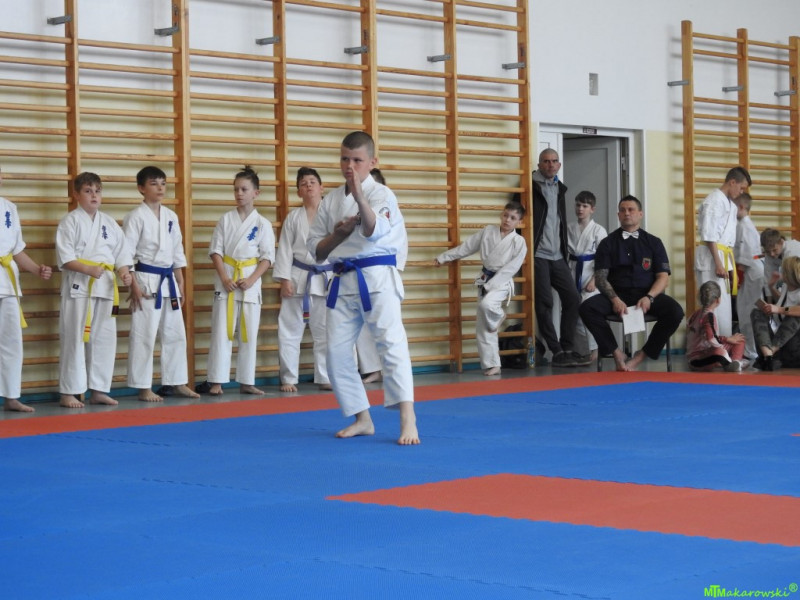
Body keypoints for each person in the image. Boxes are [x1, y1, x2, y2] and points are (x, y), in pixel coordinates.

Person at [307, 130, 419, 445]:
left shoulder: (382, 194)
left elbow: (372, 230)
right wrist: (339, 235)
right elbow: (317, 250)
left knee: (391, 346)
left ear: (372, 162)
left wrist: (359, 196)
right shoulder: (330, 200)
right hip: (343, 279)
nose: (350, 166)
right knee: (335, 352)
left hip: (377, 278)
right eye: (345, 159)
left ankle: (408, 418)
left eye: (357, 160)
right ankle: (362, 418)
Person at [579, 195, 684, 371]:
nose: (627, 213)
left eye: (631, 209)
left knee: (675, 312)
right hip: (616, 295)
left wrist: (650, 297)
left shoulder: (654, 242)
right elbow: (601, 278)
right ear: (618, 215)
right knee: (586, 308)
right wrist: (614, 299)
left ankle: (641, 355)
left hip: (646, 295)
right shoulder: (607, 243)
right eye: (623, 210)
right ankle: (616, 353)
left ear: (640, 214)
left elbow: (663, 277)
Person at [56, 172, 134, 409]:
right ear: (76, 195)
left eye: (98, 191)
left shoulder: (109, 223)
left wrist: (124, 273)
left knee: (104, 340)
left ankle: (99, 390)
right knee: (74, 339)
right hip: (79, 287)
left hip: (106, 287)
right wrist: (87, 269)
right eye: (88, 191)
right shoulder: (69, 222)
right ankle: (69, 392)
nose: (94, 196)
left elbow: (122, 254)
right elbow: (65, 257)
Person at [123, 166, 200, 403]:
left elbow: (177, 250)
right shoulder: (135, 217)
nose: (160, 188)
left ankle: (177, 382)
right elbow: (126, 254)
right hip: (145, 279)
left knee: (175, 333)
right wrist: (133, 285)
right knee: (144, 334)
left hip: (169, 281)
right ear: (141, 188)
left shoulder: (170, 216)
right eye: (154, 183)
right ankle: (143, 386)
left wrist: (181, 280)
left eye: (163, 183)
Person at [434, 201, 527, 375]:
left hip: (502, 281)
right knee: (483, 325)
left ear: (519, 222)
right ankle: (493, 364)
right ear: (501, 215)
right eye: (505, 215)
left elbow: (512, 268)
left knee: (487, 305)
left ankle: (499, 315)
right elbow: (466, 247)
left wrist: (492, 284)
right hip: (484, 278)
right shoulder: (488, 231)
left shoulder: (519, 241)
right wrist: (444, 257)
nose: (507, 220)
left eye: (513, 218)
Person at [205, 167, 274, 396]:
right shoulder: (225, 220)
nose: (239, 193)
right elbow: (215, 251)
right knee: (221, 332)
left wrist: (252, 279)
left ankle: (246, 381)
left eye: (244, 189)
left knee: (249, 334)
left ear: (256, 193)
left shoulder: (263, 224)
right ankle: (216, 381)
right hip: (226, 281)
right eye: (236, 189)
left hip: (249, 283)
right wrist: (225, 278)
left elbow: (267, 258)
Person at [515, 148, 583, 367]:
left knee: (573, 298)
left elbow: (558, 221)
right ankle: (556, 350)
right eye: (546, 161)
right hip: (537, 255)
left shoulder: (559, 188)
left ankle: (567, 347)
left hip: (558, 255)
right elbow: (517, 220)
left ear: (559, 165)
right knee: (545, 302)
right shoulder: (528, 186)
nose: (550, 165)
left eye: (554, 161)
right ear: (539, 164)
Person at [274, 167, 331, 392]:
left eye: (312, 182)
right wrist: (284, 279)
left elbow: (341, 249)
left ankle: (325, 376)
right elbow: (285, 249)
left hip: (326, 279)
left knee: (325, 332)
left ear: (321, 187)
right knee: (289, 331)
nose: (308, 186)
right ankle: (288, 378)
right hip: (298, 279)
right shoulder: (293, 218)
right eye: (303, 184)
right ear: (298, 192)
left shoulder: (332, 216)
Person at [0, 166, 52, 413]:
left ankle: (11, 396)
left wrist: (36, 269)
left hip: (8, 281)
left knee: (12, 341)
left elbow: (17, 249)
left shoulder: (9, 207)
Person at [694, 166, 751, 336]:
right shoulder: (714, 201)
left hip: (723, 256)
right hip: (711, 257)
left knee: (723, 305)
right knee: (711, 303)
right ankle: (710, 345)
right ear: (732, 182)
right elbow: (709, 235)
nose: (741, 192)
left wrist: (729, 266)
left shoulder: (731, 205)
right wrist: (719, 264)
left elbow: (727, 239)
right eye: (741, 188)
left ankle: (723, 344)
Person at [355, 167, 395, 384]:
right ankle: (372, 368)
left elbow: (399, 245)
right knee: (361, 326)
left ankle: (391, 370)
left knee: (386, 327)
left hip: (383, 275)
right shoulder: (356, 210)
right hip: (359, 275)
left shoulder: (389, 208)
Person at [567, 190, 607, 361]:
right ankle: (581, 350)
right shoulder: (569, 228)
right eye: (578, 205)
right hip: (572, 271)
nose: (580, 209)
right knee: (573, 312)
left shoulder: (599, 230)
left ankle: (595, 349)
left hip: (590, 274)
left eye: (585, 206)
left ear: (592, 209)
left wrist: (595, 280)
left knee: (589, 311)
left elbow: (604, 259)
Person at [751, 255, 800, 370]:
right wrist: (771, 287)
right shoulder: (786, 287)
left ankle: (770, 352)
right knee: (757, 312)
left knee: (794, 316)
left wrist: (778, 310)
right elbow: (783, 302)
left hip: (794, 349)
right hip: (780, 347)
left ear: (789, 274)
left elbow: (786, 309)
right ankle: (768, 355)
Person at [686, 281, 746, 372]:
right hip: (697, 359)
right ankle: (733, 363)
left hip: (698, 356)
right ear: (718, 300)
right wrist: (727, 339)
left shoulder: (696, 313)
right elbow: (711, 339)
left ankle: (733, 363)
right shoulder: (709, 316)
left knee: (739, 340)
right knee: (719, 351)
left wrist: (728, 340)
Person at [733, 193, 764, 361]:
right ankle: (751, 349)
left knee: (747, 312)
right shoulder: (743, 225)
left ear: (741, 207)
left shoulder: (745, 227)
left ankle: (751, 350)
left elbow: (747, 256)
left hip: (751, 272)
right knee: (744, 311)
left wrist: (738, 277)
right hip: (750, 272)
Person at [760, 228, 800, 303]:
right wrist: (769, 304)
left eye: (774, 250)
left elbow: (790, 279)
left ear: (781, 242)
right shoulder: (770, 254)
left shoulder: (792, 252)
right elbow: (768, 279)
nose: (772, 254)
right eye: (768, 251)